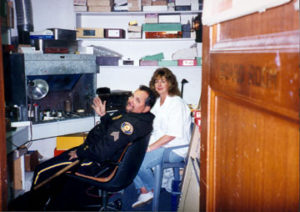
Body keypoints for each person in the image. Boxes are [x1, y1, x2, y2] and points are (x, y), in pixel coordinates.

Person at [8, 85, 156, 211]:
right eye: (132, 96)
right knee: (57, 167)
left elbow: (103, 151)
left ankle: (33, 207)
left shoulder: (128, 125)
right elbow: (112, 134)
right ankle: (53, 203)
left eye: (137, 100)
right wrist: (104, 116)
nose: (130, 100)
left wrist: (79, 152)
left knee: (42, 171)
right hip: (92, 153)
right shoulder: (140, 119)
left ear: (146, 107)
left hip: (94, 161)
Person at [132, 68, 192, 208]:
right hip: (161, 144)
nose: (159, 84)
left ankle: (153, 190)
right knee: (128, 154)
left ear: (170, 83)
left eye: (163, 81)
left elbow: (172, 134)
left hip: (175, 148)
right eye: (156, 81)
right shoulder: (157, 103)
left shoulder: (176, 103)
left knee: (139, 162)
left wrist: (149, 148)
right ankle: (144, 191)